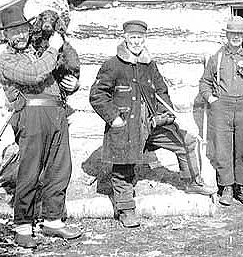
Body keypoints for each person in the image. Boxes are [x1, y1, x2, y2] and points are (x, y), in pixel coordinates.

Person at [89, 20, 214, 228]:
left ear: (144, 39)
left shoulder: (150, 65)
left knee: (187, 142)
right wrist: (114, 118)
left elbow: (161, 91)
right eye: (133, 37)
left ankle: (193, 183)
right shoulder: (113, 65)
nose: (136, 42)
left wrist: (165, 114)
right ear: (126, 39)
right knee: (123, 166)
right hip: (126, 125)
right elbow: (97, 95)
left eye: (140, 37)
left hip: (152, 123)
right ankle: (126, 210)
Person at [0, 5, 82, 248]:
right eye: (13, 33)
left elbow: (56, 76)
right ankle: (23, 226)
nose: (20, 36)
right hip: (31, 115)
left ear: (28, 28)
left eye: (22, 30)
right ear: (6, 36)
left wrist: (72, 84)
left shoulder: (40, 49)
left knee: (60, 168)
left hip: (57, 111)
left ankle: (53, 221)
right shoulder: (6, 59)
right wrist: (54, 48)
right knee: (30, 171)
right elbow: (34, 75)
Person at [198, 16, 243, 206]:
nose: (235, 37)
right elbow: (204, 82)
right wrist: (212, 99)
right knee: (223, 149)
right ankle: (226, 187)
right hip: (222, 108)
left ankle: (242, 187)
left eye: (239, 34)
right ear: (227, 35)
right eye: (232, 33)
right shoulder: (217, 58)